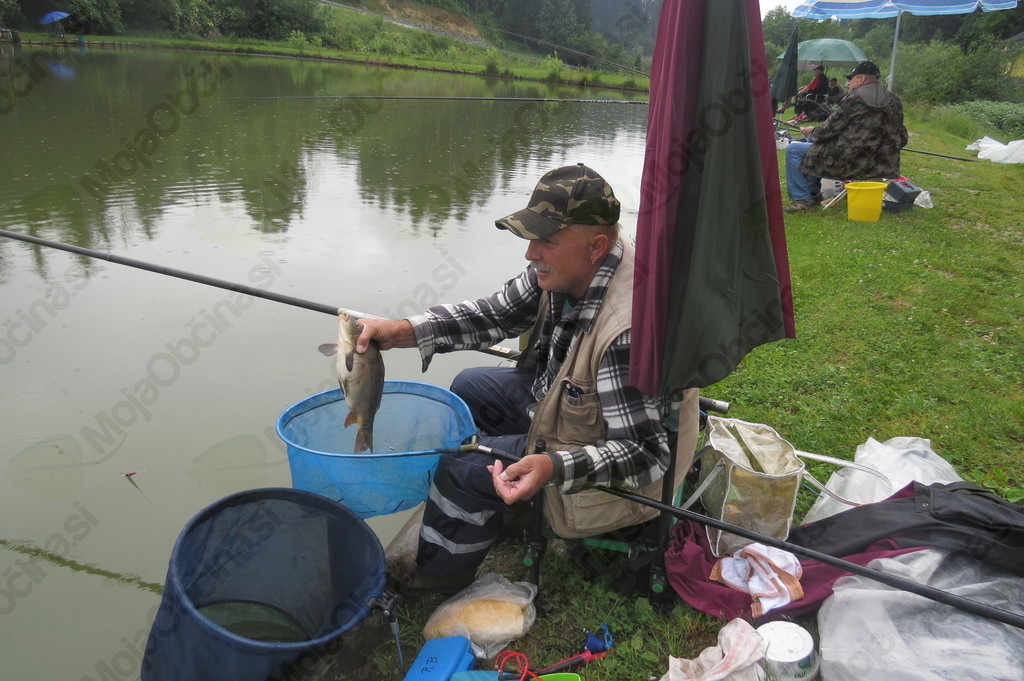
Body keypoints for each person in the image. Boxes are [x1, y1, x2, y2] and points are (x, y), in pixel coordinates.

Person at [356, 164, 698, 591]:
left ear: (596, 245)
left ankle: (437, 576)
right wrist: (403, 330)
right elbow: (495, 313)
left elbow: (645, 455)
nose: (531, 253)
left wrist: (553, 466)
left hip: (623, 476)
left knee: (460, 467)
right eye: (533, 238)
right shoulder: (571, 266)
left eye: (547, 241)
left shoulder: (628, 329)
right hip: (572, 410)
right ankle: (507, 505)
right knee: (469, 388)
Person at [783, 61, 909, 213]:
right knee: (811, 145)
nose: (849, 83)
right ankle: (812, 193)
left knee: (794, 149)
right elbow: (902, 137)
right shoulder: (895, 100)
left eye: (851, 79)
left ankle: (803, 199)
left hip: (848, 161)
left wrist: (811, 131)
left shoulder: (854, 98)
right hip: (882, 163)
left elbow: (827, 130)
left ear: (861, 79)